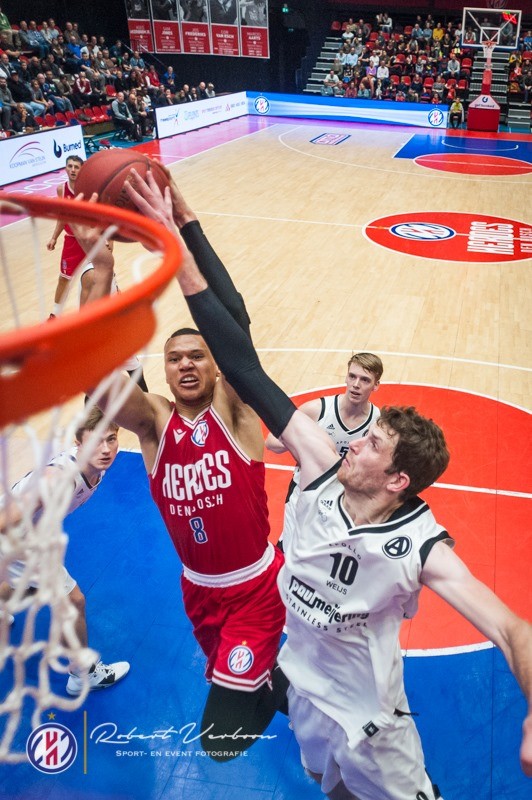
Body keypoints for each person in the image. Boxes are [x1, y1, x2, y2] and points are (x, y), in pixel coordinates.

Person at [124, 171, 532, 797]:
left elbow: (511, 630)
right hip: (305, 693)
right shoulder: (320, 466)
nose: (352, 441)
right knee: (327, 786)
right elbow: (241, 359)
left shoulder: (420, 547)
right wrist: (185, 225)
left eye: (370, 444)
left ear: (397, 479)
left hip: (373, 723)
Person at [78, 175, 287, 762]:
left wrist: (185, 229)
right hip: (197, 592)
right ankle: (279, 683)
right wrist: (99, 269)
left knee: (219, 741)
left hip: (255, 588)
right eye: (175, 359)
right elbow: (96, 381)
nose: (187, 364)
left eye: (198, 355)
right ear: (164, 371)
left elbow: (234, 320)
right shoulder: (153, 426)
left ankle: (282, 686)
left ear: (216, 367)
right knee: (242, 696)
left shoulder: (237, 412)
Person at [0, 408, 130, 696]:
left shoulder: (94, 467)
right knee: (74, 603)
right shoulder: (60, 478)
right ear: (78, 443)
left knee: (29, 586)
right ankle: (83, 674)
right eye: (96, 441)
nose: (106, 449)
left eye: (111, 439)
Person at [266, 353, 382, 551]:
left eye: (365, 380)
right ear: (346, 377)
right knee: (290, 549)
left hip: (342, 497)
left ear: (376, 385)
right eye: (352, 376)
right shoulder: (318, 410)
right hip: (304, 491)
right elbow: (271, 442)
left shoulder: (376, 421)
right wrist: (302, 443)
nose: (356, 384)